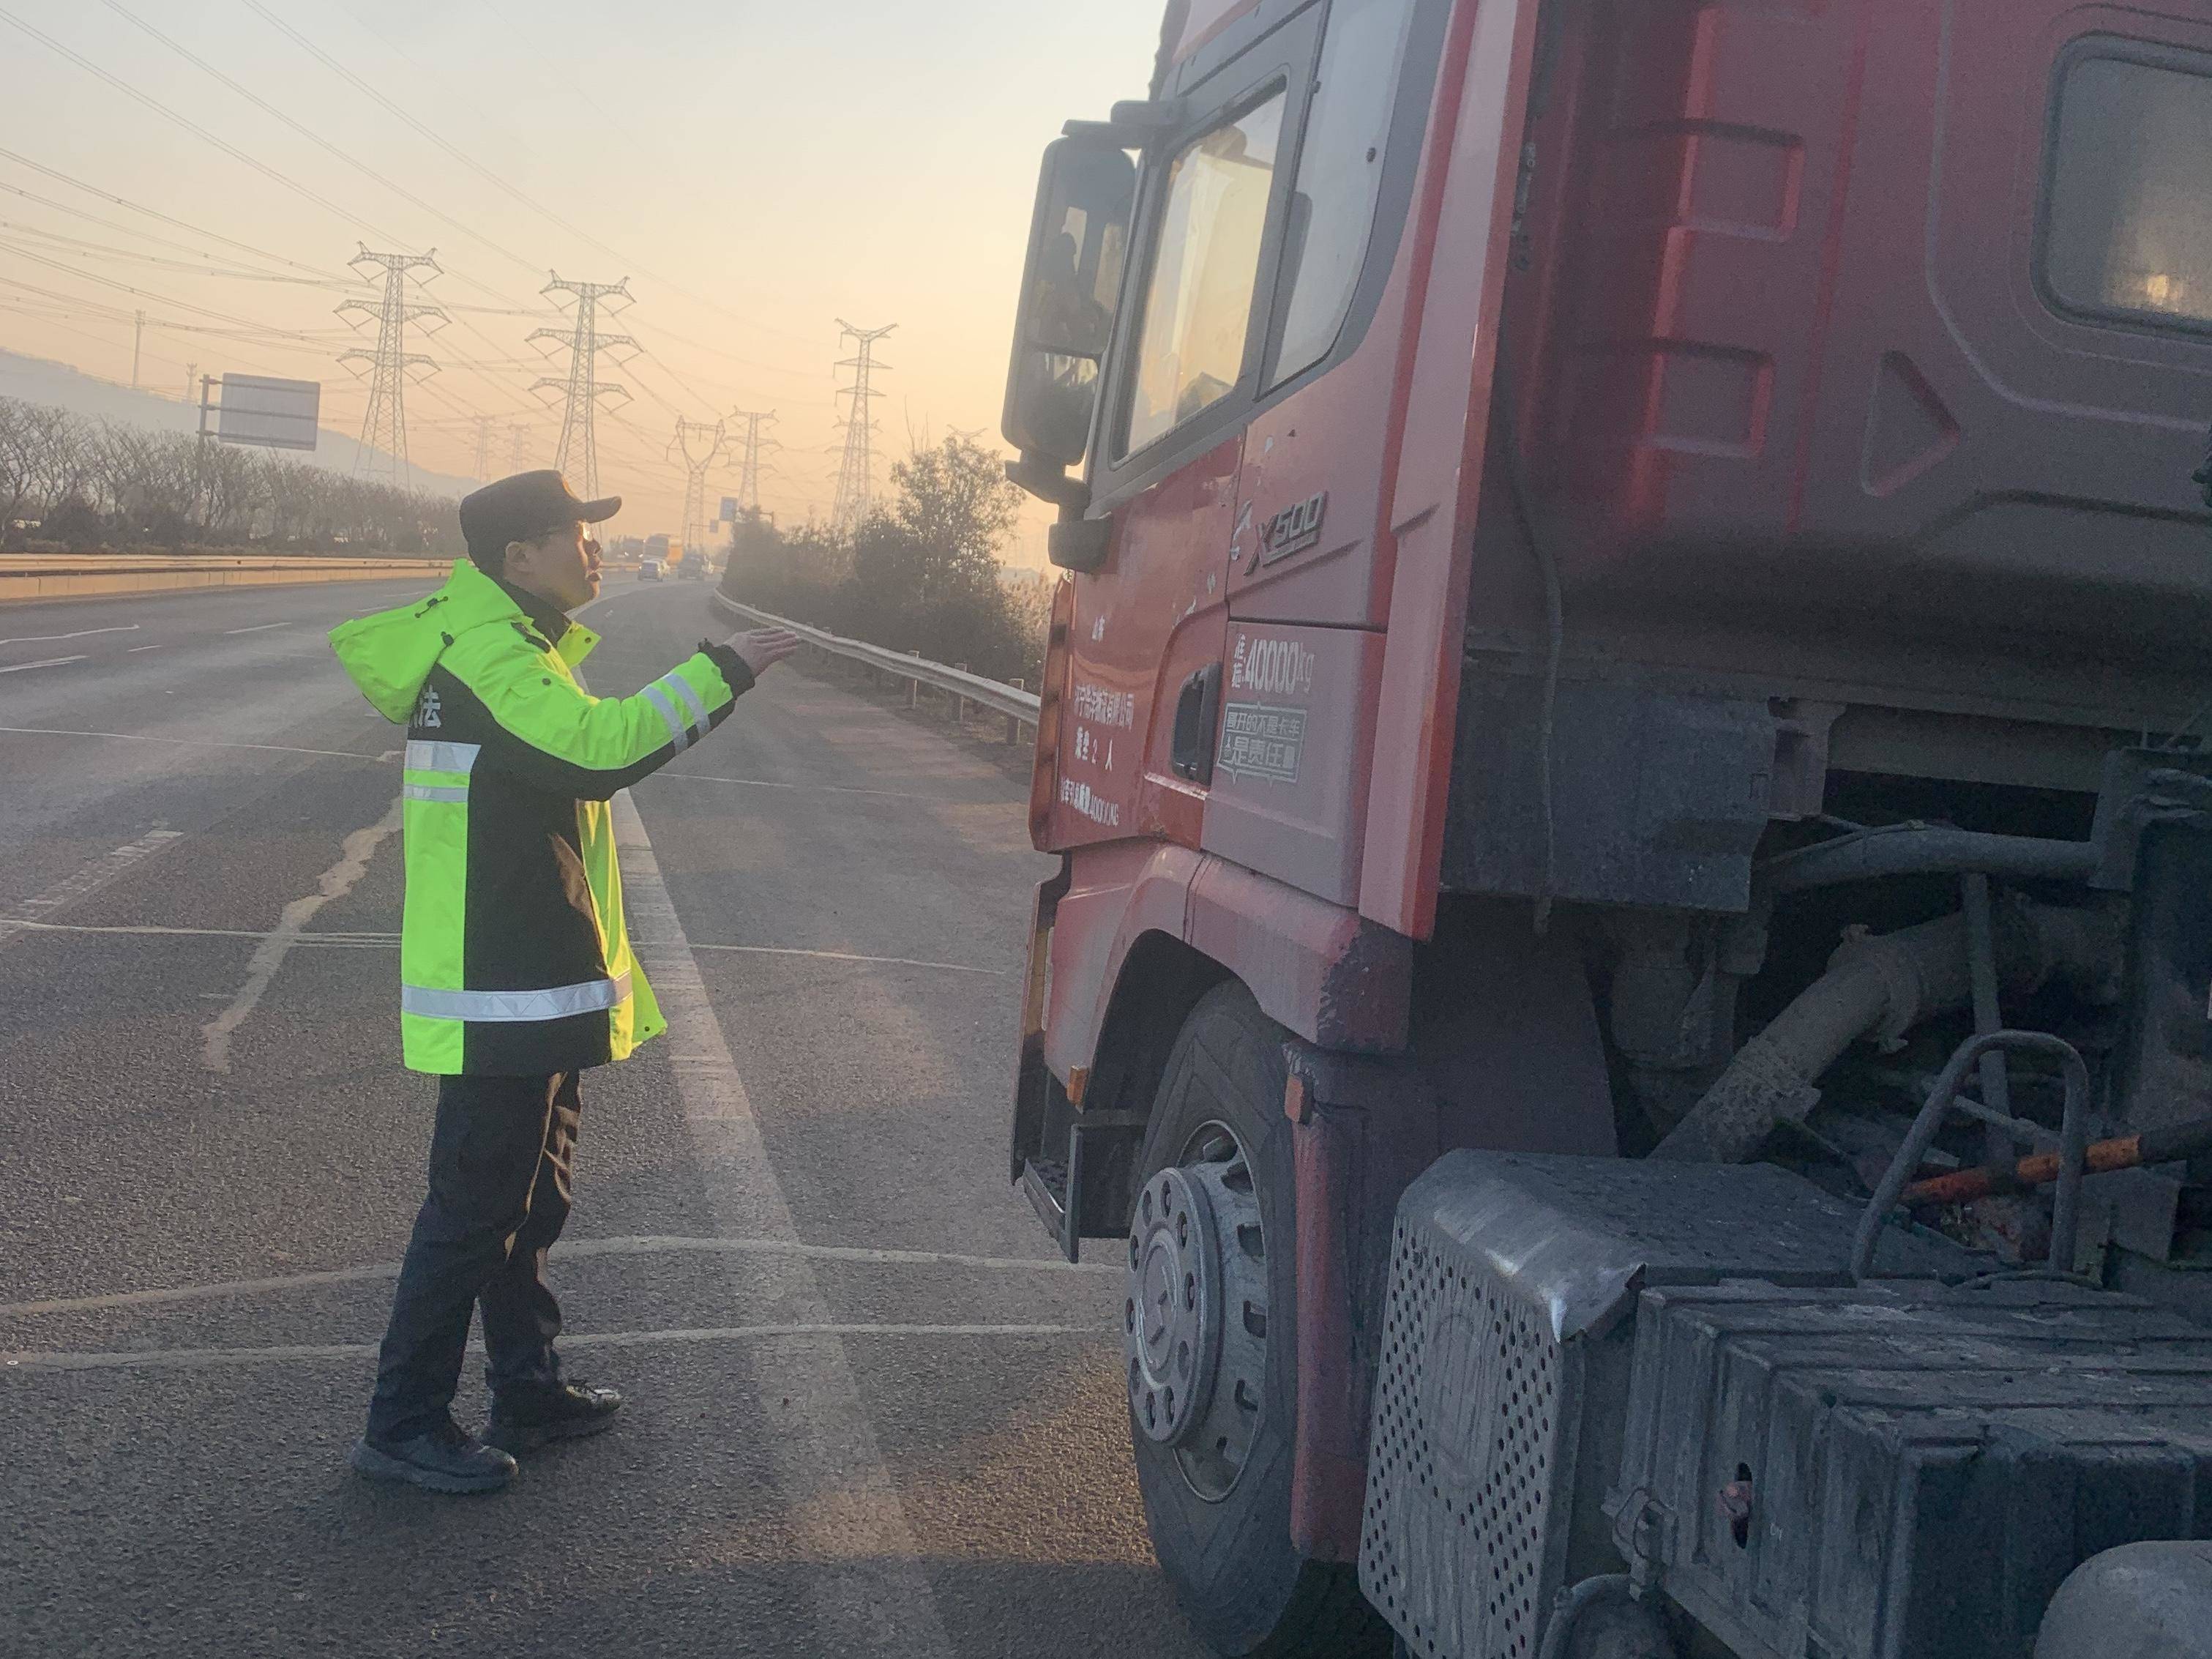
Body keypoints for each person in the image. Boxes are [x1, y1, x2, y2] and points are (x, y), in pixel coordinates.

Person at [328, 470, 798, 1494]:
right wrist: (723, 670)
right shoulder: (491, 655)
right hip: (498, 979)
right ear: (518, 557)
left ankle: (526, 1387)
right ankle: (401, 1422)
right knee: (472, 1211)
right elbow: (598, 752)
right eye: (577, 534)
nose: (595, 549)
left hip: (533, 975)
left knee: (531, 1200)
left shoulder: (522, 645)